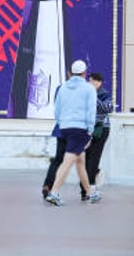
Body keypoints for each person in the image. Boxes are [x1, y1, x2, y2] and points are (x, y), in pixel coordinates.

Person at [45, 59, 98, 206]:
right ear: (85, 73)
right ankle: (54, 192)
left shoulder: (63, 88)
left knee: (80, 161)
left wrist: (63, 123)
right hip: (80, 129)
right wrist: (90, 130)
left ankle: (89, 193)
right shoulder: (89, 89)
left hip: (65, 128)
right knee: (67, 162)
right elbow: (91, 110)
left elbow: (57, 110)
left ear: (71, 72)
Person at [83, 71, 113, 201]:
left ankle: (91, 189)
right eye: (89, 81)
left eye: (92, 81)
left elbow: (108, 108)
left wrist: (93, 98)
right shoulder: (85, 94)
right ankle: (85, 190)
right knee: (85, 159)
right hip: (87, 129)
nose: (89, 83)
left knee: (94, 158)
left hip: (101, 129)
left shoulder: (104, 94)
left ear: (98, 82)